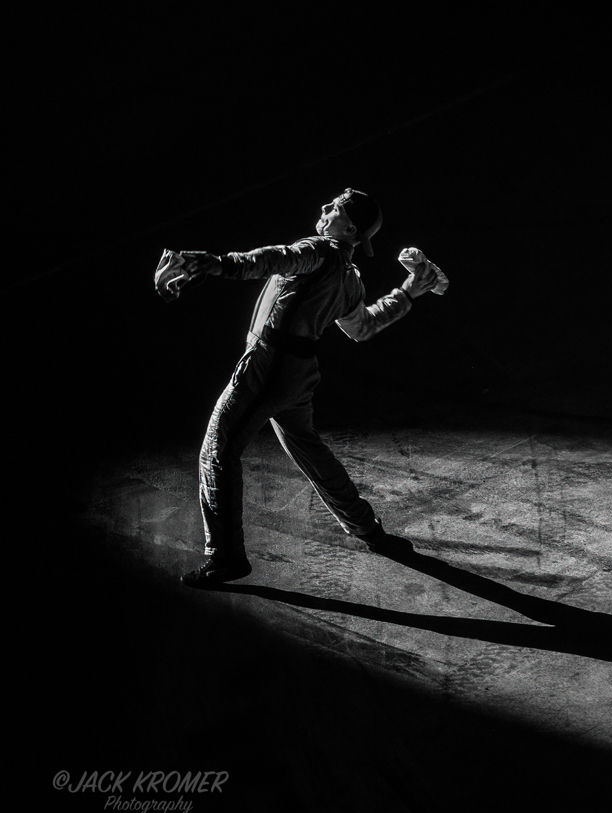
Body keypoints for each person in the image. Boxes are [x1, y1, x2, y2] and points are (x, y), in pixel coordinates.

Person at [163, 188, 445, 588]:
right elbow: (362, 328)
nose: (324, 209)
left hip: (269, 367)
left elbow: (272, 258)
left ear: (349, 228)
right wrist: (407, 292)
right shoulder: (349, 277)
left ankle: (225, 556)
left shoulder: (318, 250)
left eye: (334, 209)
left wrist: (217, 264)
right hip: (299, 373)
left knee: (218, 452)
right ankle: (368, 529)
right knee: (308, 447)